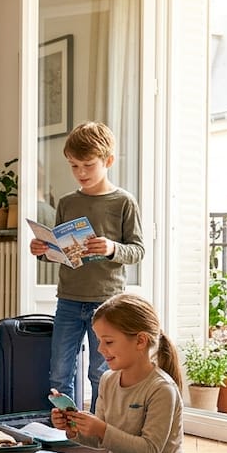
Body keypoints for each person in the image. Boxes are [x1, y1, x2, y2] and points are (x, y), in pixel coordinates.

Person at [27, 293, 184, 453]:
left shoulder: (162, 389)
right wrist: (73, 428)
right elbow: (99, 441)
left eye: (108, 342)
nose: (100, 349)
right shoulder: (109, 380)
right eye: (99, 341)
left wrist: (102, 429)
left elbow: (150, 452)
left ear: (140, 341)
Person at [30, 121, 145, 411]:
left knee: (101, 372)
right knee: (59, 371)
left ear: (108, 161)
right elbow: (60, 250)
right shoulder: (67, 202)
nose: (80, 173)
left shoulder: (123, 202)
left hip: (107, 303)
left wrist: (111, 248)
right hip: (68, 299)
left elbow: (138, 250)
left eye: (88, 165)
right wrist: (42, 251)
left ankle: (97, 426)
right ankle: (65, 426)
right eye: (74, 166)